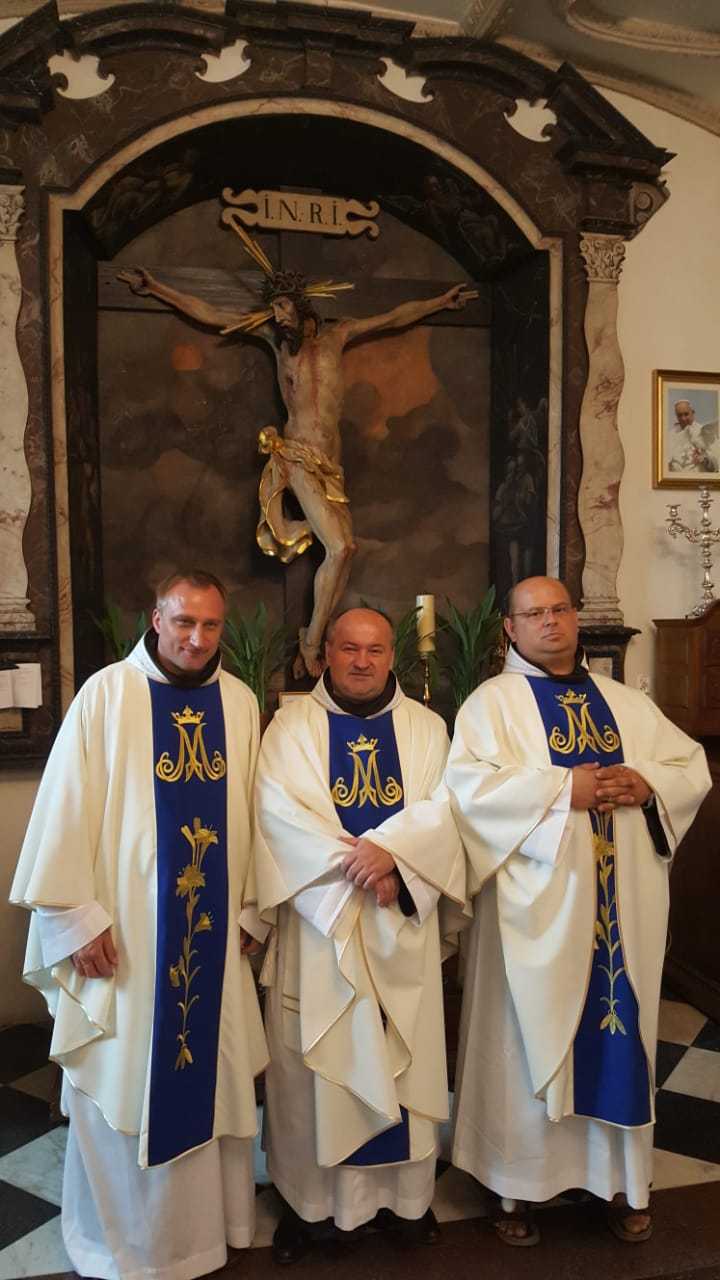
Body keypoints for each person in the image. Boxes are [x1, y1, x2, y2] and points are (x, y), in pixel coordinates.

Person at [10, 571, 269, 1280]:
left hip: (210, 937)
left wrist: (253, 908)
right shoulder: (107, 694)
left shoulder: (240, 703)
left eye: (211, 625)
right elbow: (64, 809)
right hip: (126, 941)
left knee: (210, 1077)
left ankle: (206, 1239)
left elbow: (256, 815)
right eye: (184, 621)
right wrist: (74, 918)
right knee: (126, 1074)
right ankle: (119, 1244)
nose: (197, 638)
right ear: (156, 619)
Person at [445, 576, 710, 1247]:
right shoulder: (491, 705)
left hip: (622, 909)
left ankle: (617, 1181)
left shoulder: (625, 702)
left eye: (560, 609)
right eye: (534, 613)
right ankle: (515, 1186)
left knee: (618, 1034)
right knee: (523, 1041)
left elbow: (690, 764)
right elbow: (468, 792)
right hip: (533, 914)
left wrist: (647, 781)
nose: (550, 622)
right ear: (510, 628)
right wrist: (568, 787)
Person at [119, 248, 474, 678]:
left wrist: (440, 302)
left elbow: (394, 317)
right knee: (340, 547)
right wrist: (157, 288)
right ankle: (311, 642)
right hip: (297, 456)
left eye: (284, 307)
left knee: (345, 551)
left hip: (330, 464)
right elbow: (211, 314)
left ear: (303, 307)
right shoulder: (276, 343)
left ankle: (314, 632)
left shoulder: (338, 335)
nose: (279, 316)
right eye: (274, 309)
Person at [254, 607, 466, 1262]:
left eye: (375, 649)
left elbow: (447, 814)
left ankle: (406, 1203)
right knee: (313, 1071)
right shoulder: (291, 727)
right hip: (324, 929)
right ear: (326, 655)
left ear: (392, 655)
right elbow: (277, 814)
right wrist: (361, 868)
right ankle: (309, 1207)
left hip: (401, 921)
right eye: (349, 648)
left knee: (406, 1060)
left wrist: (398, 865)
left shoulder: (427, 728)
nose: (362, 661)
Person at [667, 399, 718, 473]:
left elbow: (716, 466)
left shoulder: (705, 432)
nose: (683, 418)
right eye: (679, 415)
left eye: (686, 414)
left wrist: (704, 460)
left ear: (693, 413)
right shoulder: (670, 435)